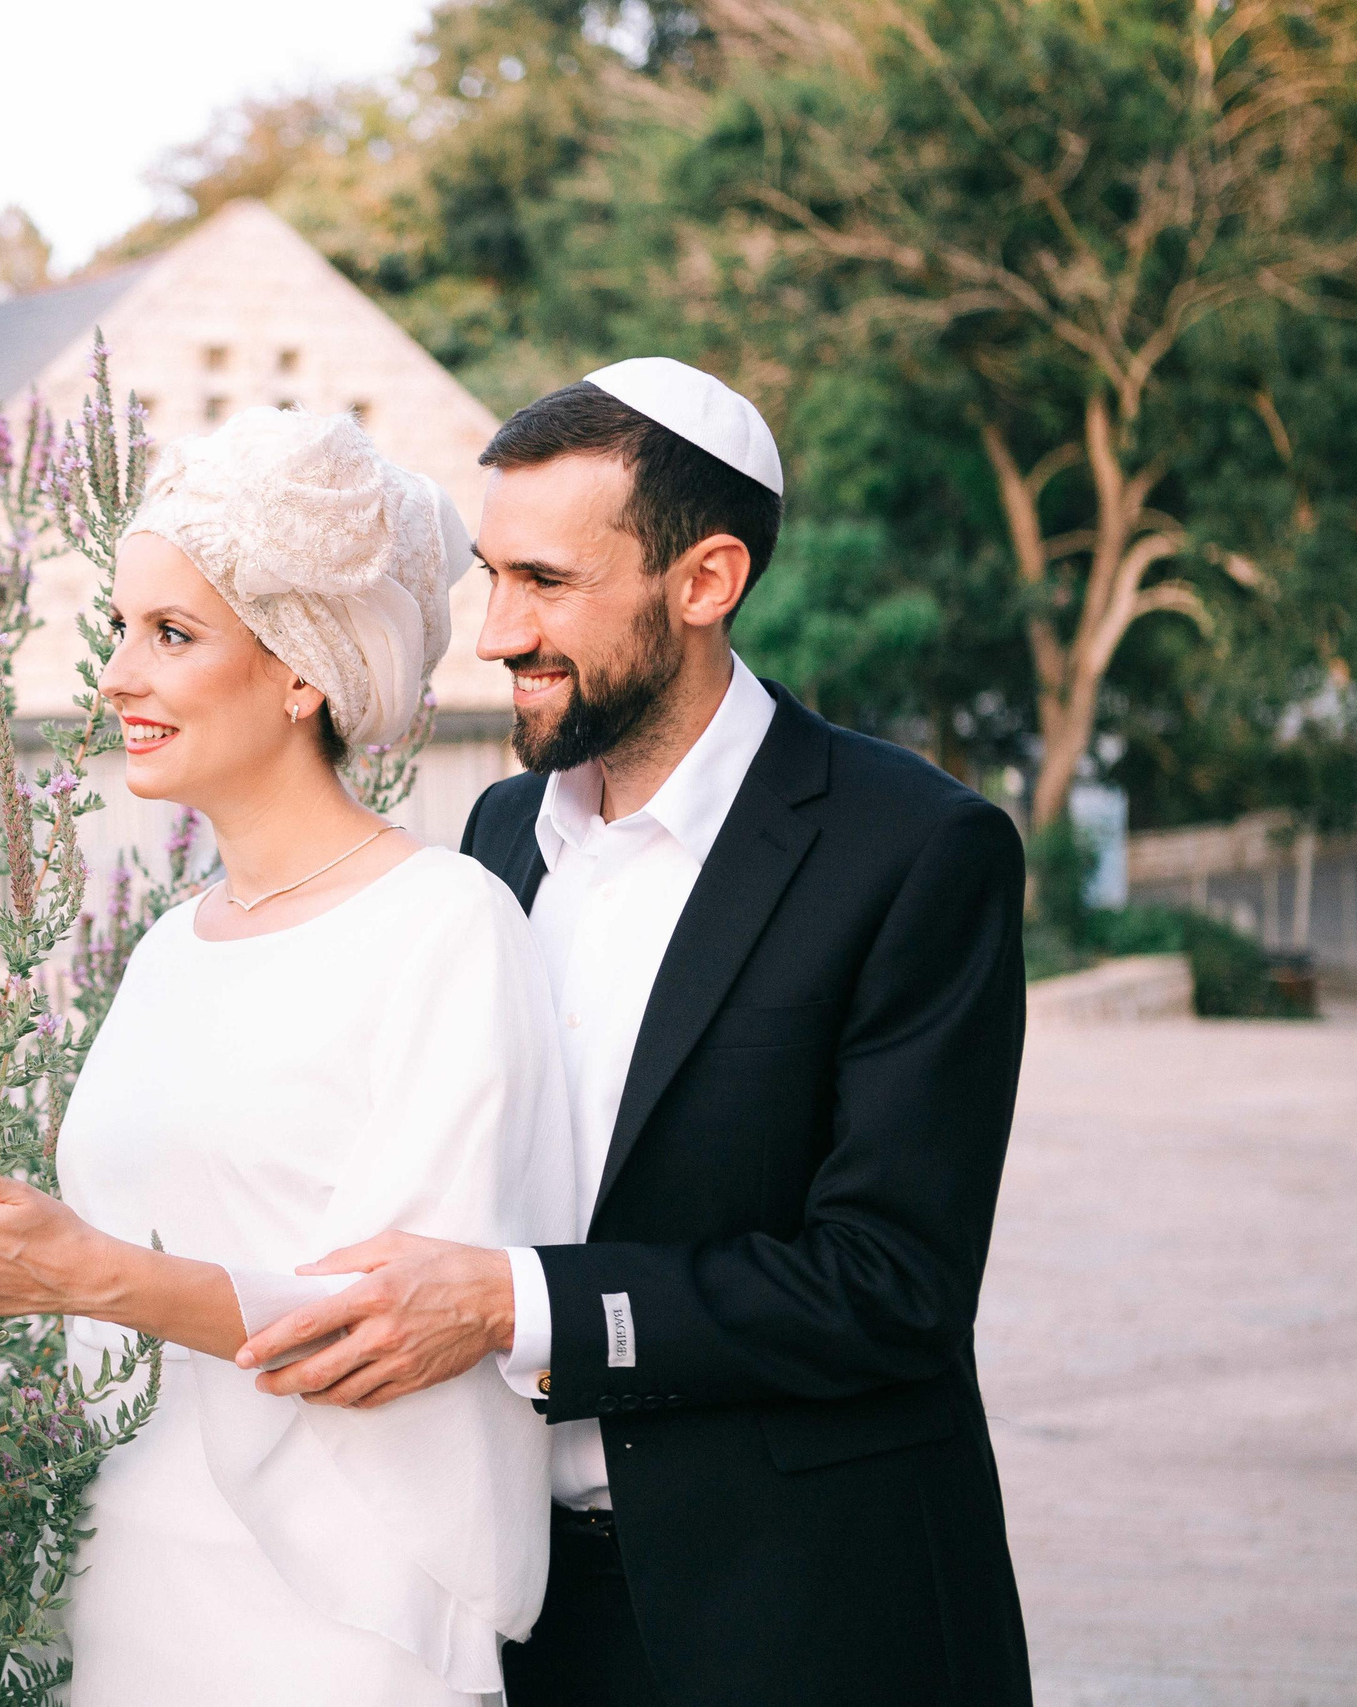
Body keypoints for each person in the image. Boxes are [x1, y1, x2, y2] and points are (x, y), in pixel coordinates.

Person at [235, 359, 1034, 1705]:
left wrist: (512, 1301)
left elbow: (890, 1284)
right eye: (490, 576)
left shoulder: (918, 851)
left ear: (705, 581)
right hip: (528, 1614)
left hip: (803, 1620)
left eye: (544, 583)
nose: (493, 633)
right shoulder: (498, 837)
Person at [0, 407, 576, 1705]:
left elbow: (393, 1330)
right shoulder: (173, 943)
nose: (119, 674)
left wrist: (84, 1272)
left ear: (304, 671)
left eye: (173, 635)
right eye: (121, 629)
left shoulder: (447, 929)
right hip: (121, 1590)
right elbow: (149, 1235)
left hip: (325, 1631)